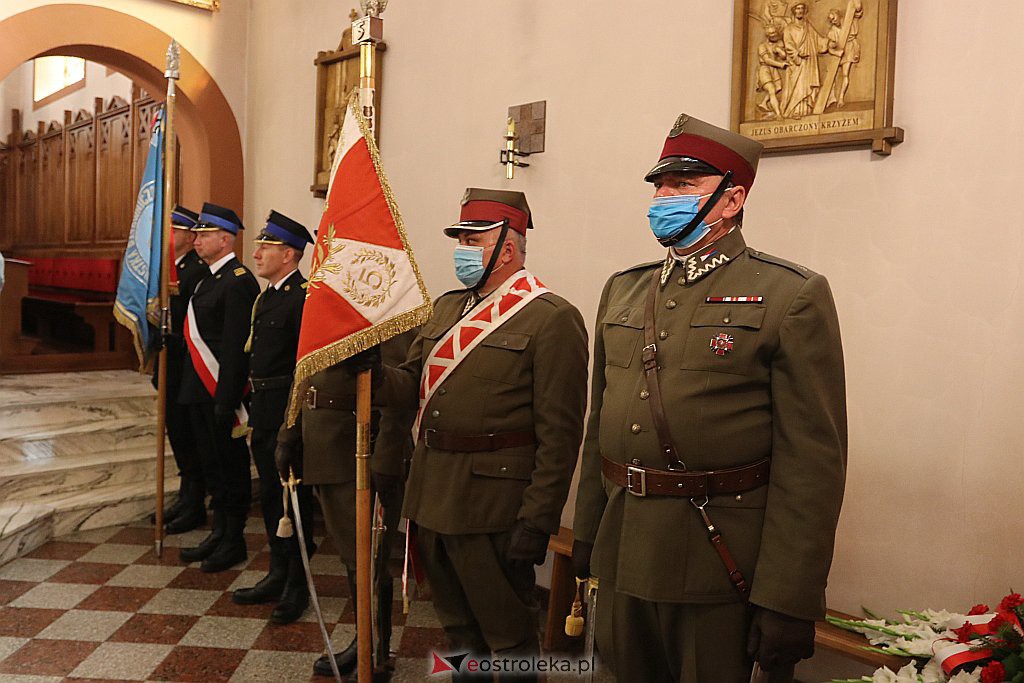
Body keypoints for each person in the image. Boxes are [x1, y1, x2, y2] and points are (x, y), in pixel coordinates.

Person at [572, 114, 847, 682]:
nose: (663, 199)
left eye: (683, 185)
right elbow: (600, 424)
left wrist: (788, 597)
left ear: (732, 199)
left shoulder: (790, 295)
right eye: (659, 186)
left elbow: (812, 464)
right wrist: (586, 534)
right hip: (622, 547)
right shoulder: (624, 290)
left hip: (714, 561)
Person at [377, 188, 589, 681]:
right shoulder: (447, 308)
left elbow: (560, 435)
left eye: (473, 241)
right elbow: (410, 386)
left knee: (509, 634)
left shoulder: (552, 318)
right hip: (432, 495)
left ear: (508, 248)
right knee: (458, 632)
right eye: (460, 240)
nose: (462, 250)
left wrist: (538, 520)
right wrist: (371, 373)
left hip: (493, 506)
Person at [276, 328, 416, 677]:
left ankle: (376, 653)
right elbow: (305, 366)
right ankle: (364, 640)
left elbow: (402, 390)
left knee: (369, 559)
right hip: (324, 445)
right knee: (353, 559)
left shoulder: (383, 304)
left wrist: (387, 456)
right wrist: (289, 433)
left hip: (363, 449)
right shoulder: (326, 302)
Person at [230, 210, 313, 624]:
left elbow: (303, 366)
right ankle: (277, 573)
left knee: (293, 502)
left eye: (266, 246)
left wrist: (291, 423)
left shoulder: (303, 298)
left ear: (289, 254)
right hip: (263, 410)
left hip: (286, 411)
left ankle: (297, 584)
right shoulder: (268, 297)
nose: (257, 253)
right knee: (269, 497)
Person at [178, 203, 259, 573]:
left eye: (205, 234)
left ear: (225, 239)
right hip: (198, 387)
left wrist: (227, 399)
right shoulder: (208, 279)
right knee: (212, 465)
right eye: (196, 234)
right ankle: (219, 531)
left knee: (230, 466)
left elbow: (235, 346)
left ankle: (234, 539)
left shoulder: (239, 281)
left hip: (220, 392)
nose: (197, 240)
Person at [158, 205, 210, 535]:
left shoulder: (195, 272)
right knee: (176, 432)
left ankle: (194, 500)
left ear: (191, 238)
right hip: (169, 364)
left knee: (189, 435)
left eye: (175, 231)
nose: (168, 236)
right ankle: (185, 493)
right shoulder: (169, 268)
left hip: (186, 367)